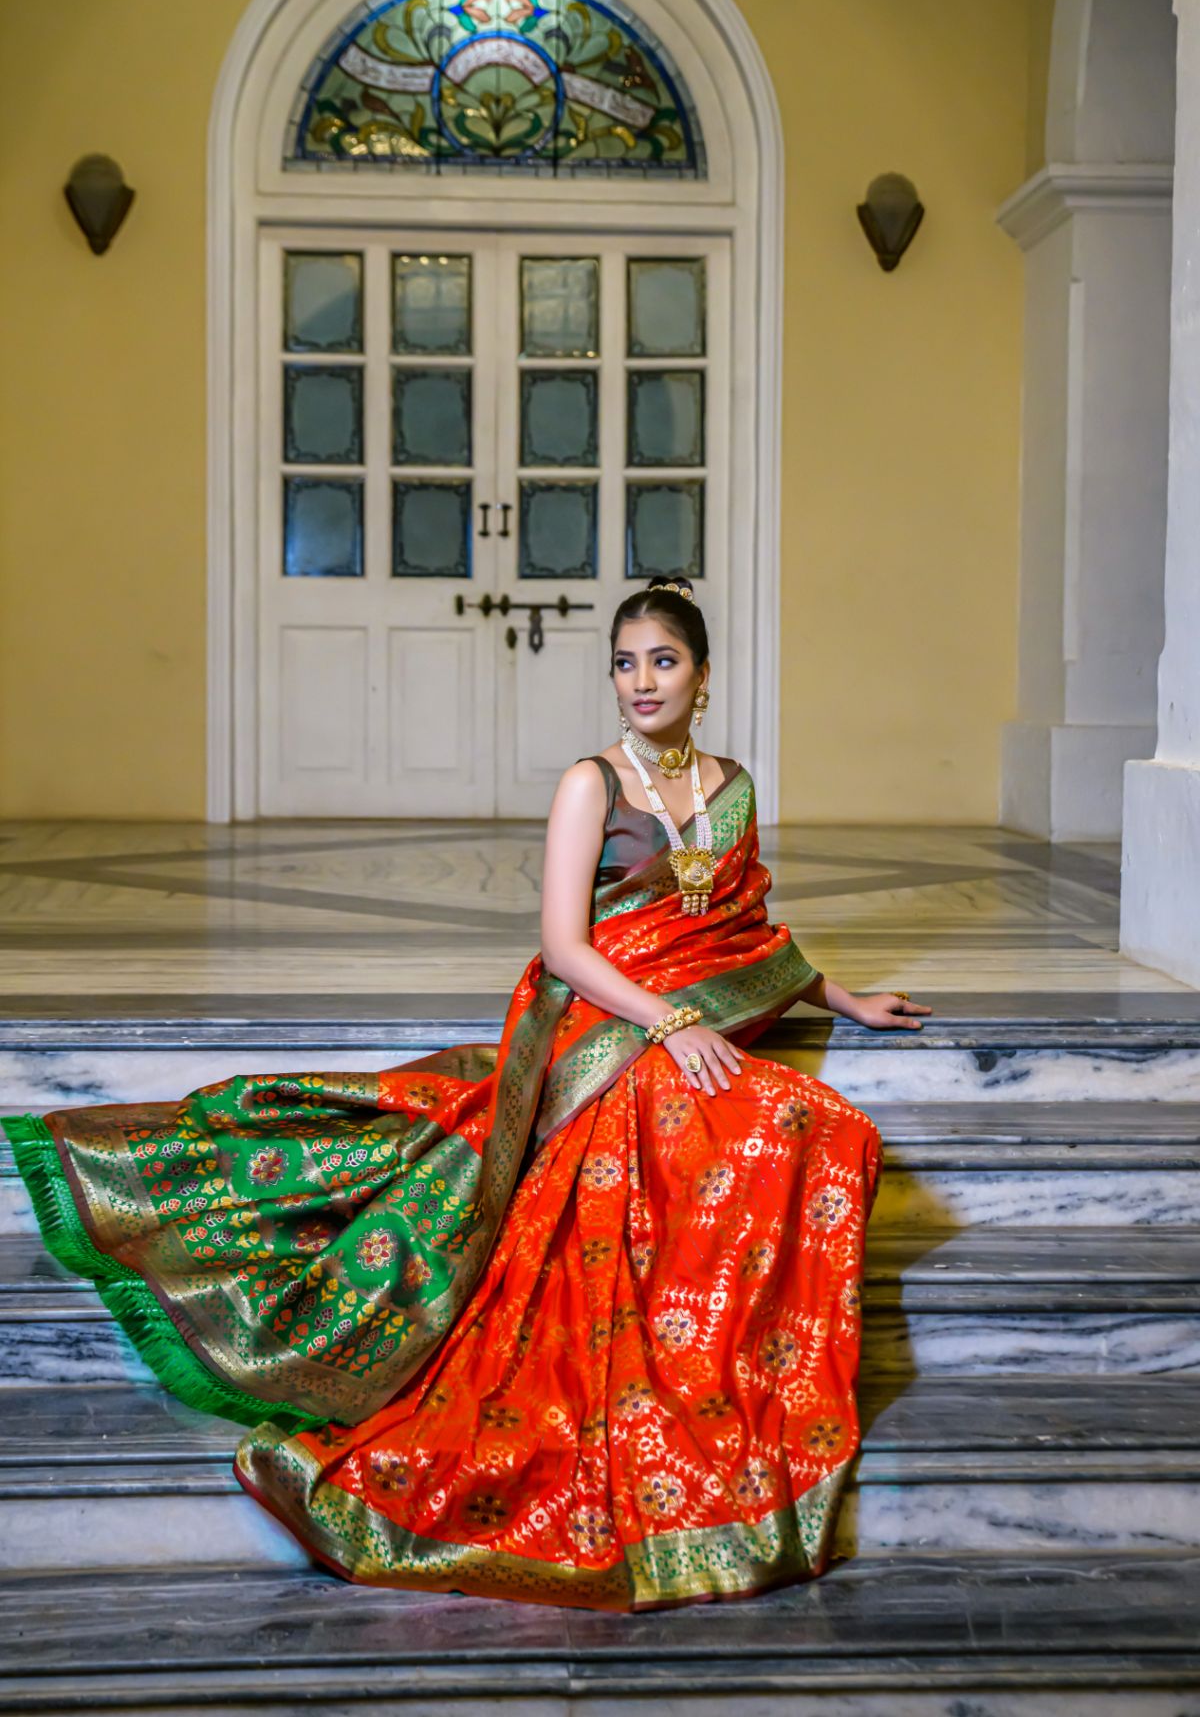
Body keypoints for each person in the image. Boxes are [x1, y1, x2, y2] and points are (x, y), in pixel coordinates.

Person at [3, 575, 931, 1612]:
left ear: (703, 677)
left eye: (662, 661)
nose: (641, 681)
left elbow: (747, 929)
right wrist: (668, 1024)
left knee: (823, 1127)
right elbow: (565, 946)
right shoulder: (592, 783)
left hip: (677, 1024)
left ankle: (716, 1363)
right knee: (706, 1126)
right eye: (625, 662)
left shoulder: (734, 788)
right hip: (602, 1022)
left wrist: (841, 996)